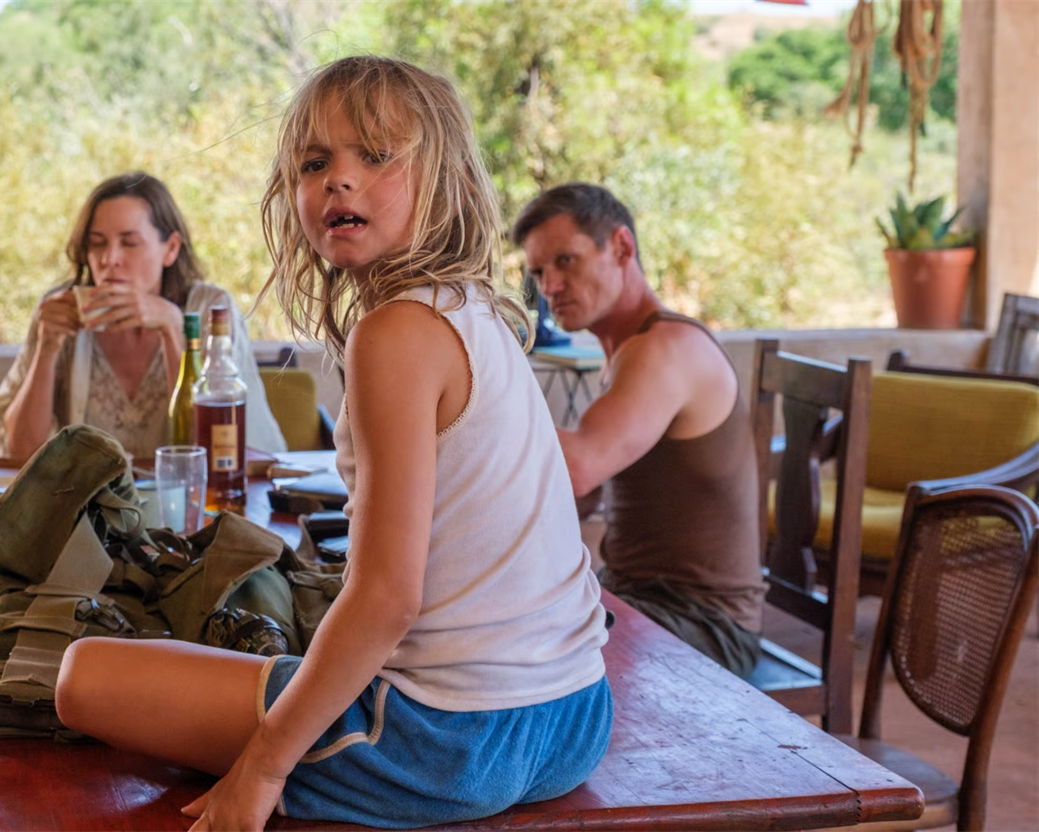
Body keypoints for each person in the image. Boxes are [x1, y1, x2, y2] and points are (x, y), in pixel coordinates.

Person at [54, 57, 611, 830]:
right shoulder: (475, 309)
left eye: (375, 155)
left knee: (84, 675)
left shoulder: (396, 331)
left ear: (445, 179)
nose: (338, 179)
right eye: (315, 163)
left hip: (450, 737)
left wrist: (262, 767)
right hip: (576, 714)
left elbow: (388, 598)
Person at [511, 183, 767, 679]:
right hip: (637, 597)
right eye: (538, 272)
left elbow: (579, 470)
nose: (550, 286)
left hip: (704, 624)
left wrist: (475, 394)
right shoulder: (629, 350)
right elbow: (577, 495)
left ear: (622, 247)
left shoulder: (665, 348)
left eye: (566, 261)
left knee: (511, 660)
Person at [0, 172, 286, 460]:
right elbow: (21, 454)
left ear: (170, 249)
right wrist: (47, 347)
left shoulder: (210, 310)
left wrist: (173, 328)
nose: (109, 259)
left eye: (129, 243)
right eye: (97, 243)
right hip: (89, 496)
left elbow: (219, 451)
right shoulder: (61, 313)